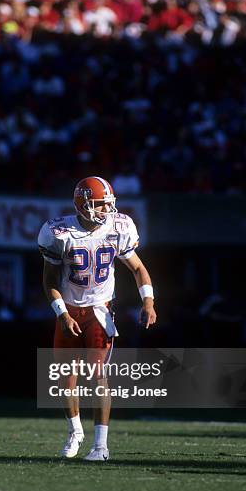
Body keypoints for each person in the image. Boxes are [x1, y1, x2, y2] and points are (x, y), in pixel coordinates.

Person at [38, 176, 157, 461]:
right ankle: (75, 431)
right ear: (82, 205)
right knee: (64, 378)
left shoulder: (119, 227)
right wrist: (62, 314)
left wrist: (149, 301)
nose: (107, 210)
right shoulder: (59, 232)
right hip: (68, 309)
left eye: (108, 204)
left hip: (100, 310)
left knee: (98, 376)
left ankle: (101, 446)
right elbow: (49, 281)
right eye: (100, 205)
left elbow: (138, 268)